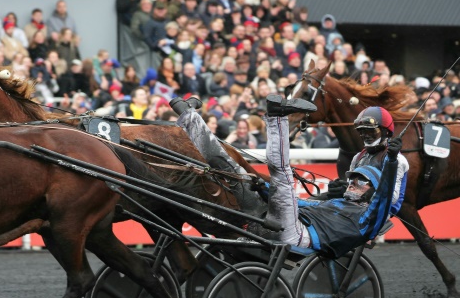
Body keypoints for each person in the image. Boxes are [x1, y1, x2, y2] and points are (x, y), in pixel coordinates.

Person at [171, 95, 401, 258]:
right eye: (362, 132)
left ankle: (276, 118)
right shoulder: (347, 190)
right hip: (286, 221)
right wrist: (263, 190)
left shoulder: (369, 214)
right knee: (233, 171)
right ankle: (190, 118)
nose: (353, 185)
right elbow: (304, 203)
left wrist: (390, 161)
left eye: (361, 183)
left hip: (295, 234)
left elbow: (387, 199)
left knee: (280, 173)